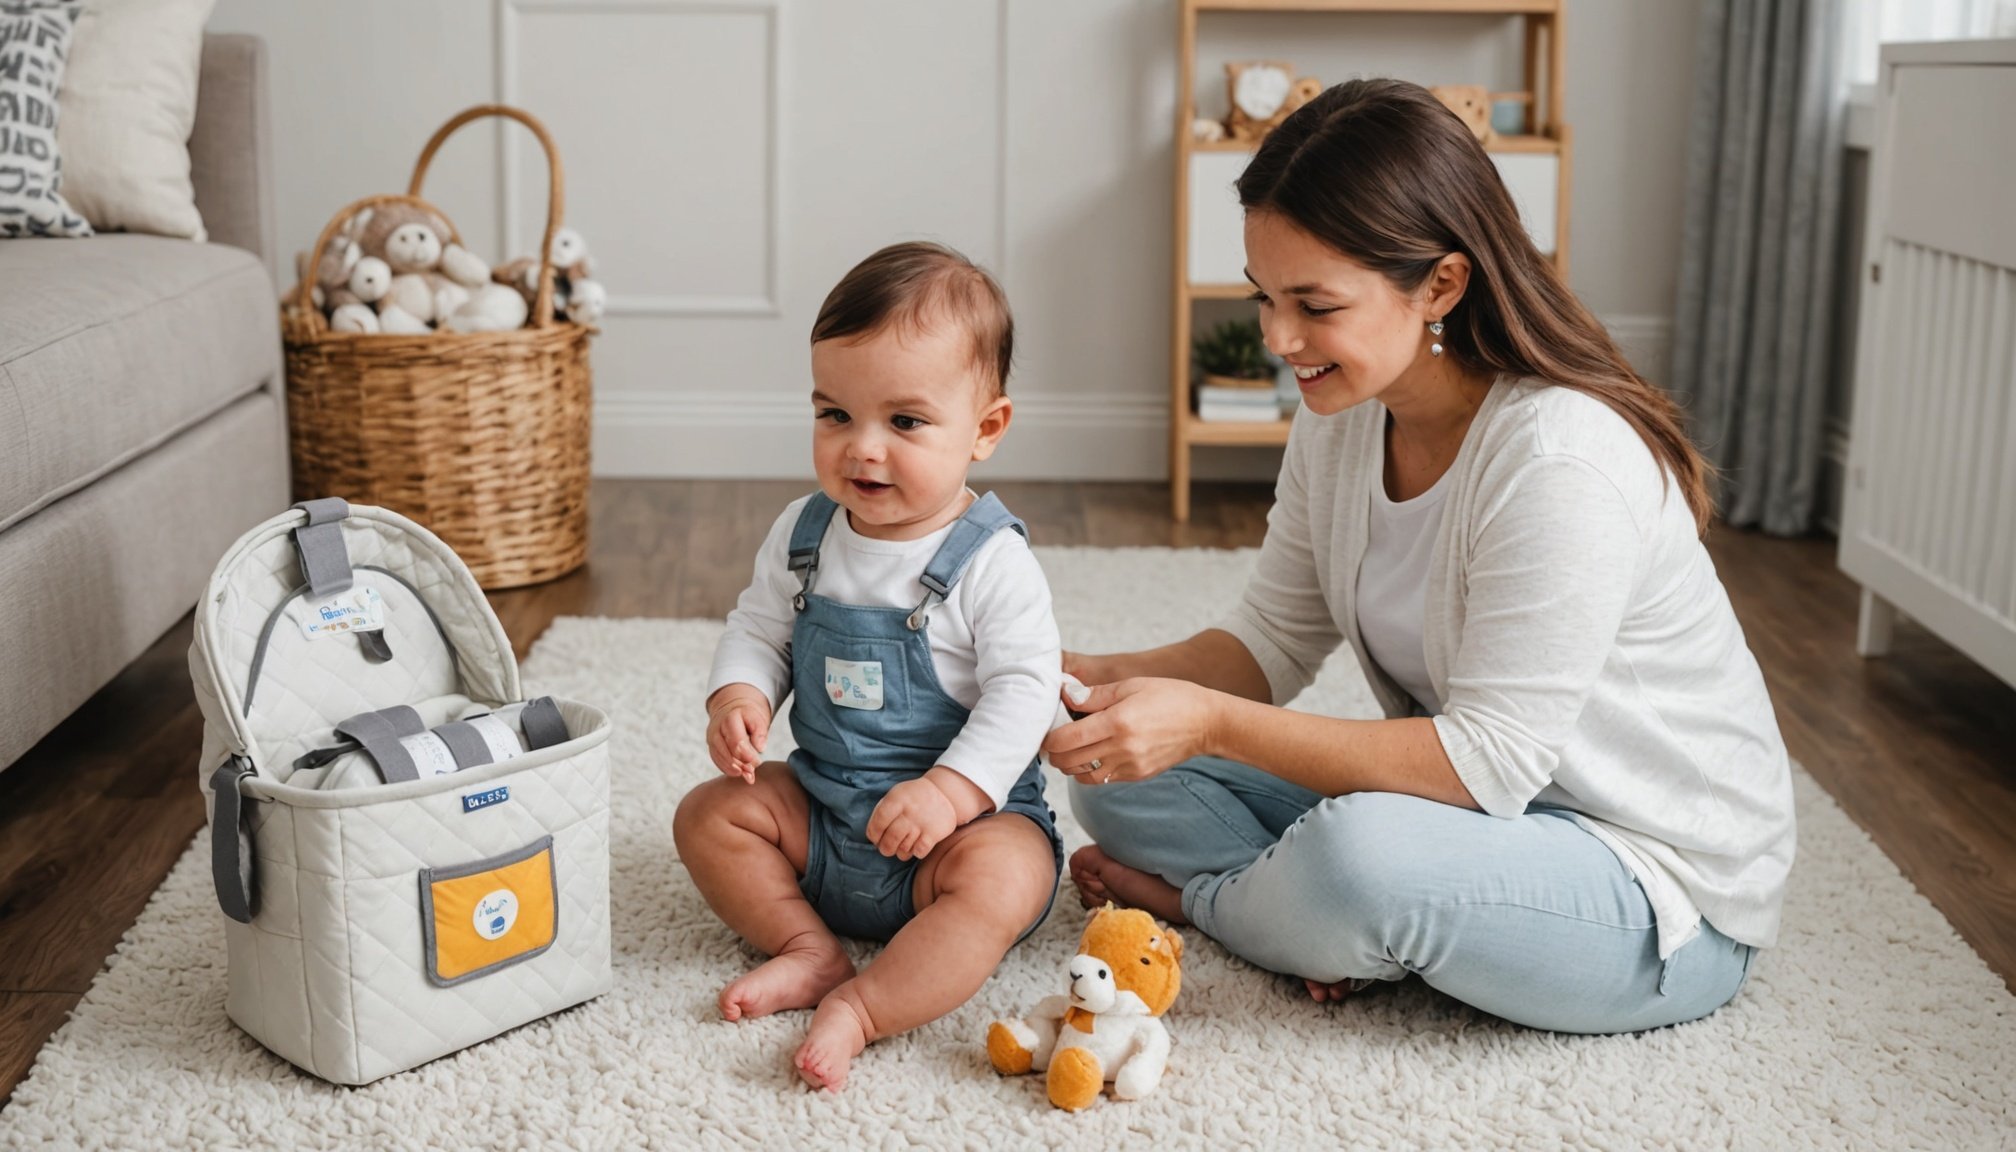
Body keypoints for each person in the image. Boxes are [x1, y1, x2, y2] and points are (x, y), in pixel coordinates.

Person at [1045, 79, 1797, 1035]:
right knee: (1120, 778)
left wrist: (1207, 727)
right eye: (1264, 297)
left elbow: (1485, 761)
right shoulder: (1345, 418)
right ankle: (1336, 925)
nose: (1279, 339)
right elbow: (1271, 638)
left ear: (1440, 282)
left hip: (1654, 885)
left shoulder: (1560, 457)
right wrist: (1092, 681)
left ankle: (1210, 908)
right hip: (1485, 823)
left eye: (1313, 304)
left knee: (1361, 859)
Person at [674, 242, 1064, 1090]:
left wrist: (951, 792)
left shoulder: (991, 562)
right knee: (710, 815)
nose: (864, 449)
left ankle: (863, 1006)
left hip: (953, 839)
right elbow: (759, 625)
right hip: (826, 812)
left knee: (1006, 879)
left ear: (985, 429)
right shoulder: (805, 532)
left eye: (906, 422)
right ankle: (808, 948)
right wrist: (740, 692)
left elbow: (1026, 693)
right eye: (835, 415)